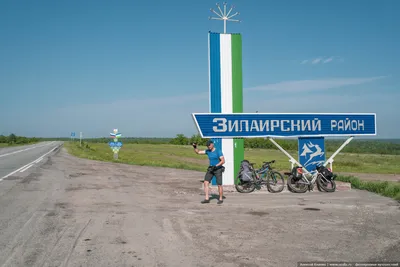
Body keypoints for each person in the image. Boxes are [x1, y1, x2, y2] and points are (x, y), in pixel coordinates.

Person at [192, 139, 225, 204]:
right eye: (207, 146)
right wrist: (195, 147)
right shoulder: (208, 151)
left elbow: (223, 161)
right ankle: (207, 198)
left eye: (209, 145)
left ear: (212, 144)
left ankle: (220, 199)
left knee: (219, 184)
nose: (208, 147)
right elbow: (198, 152)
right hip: (210, 168)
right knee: (206, 182)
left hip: (217, 168)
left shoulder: (218, 151)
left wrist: (216, 166)